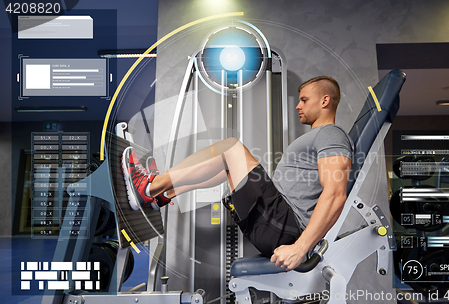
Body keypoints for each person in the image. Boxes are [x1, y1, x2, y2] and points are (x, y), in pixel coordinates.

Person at [121, 76, 354, 271]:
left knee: (231, 148)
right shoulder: (320, 136)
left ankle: (150, 186)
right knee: (227, 164)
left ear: (325, 101)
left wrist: (300, 248)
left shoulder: (331, 134)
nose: (298, 106)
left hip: (285, 227)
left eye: (304, 100)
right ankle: (164, 193)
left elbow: (335, 194)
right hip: (278, 223)